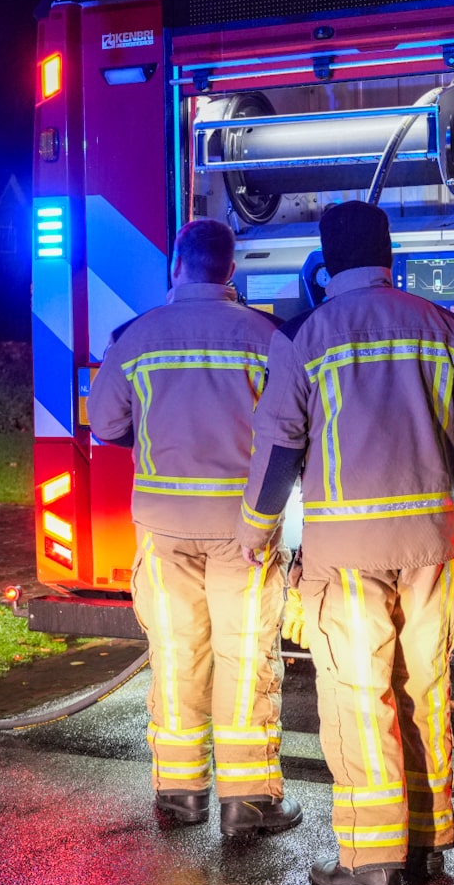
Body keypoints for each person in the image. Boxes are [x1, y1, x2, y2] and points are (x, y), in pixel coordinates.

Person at [237, 200, 454, 885]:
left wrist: (257, 527)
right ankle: (426, 840)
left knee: (360, 697)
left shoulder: (308, 336)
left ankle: (370, 862)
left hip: (346, 556)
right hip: (429, 546)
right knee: (424, 687)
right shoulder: (442, 328)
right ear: (390, 255)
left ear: (326, 262)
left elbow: (281, 447)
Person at [89, 218, 298, 838]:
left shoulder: (137, 336)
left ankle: (180, 794)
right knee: (244, 655)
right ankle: (249, 801)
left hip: (164, 525)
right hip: (243, 526)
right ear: (231, 271)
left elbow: (105, 424)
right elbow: (291, 428)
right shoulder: (265, 337)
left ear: (175, 267)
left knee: (178, 653)